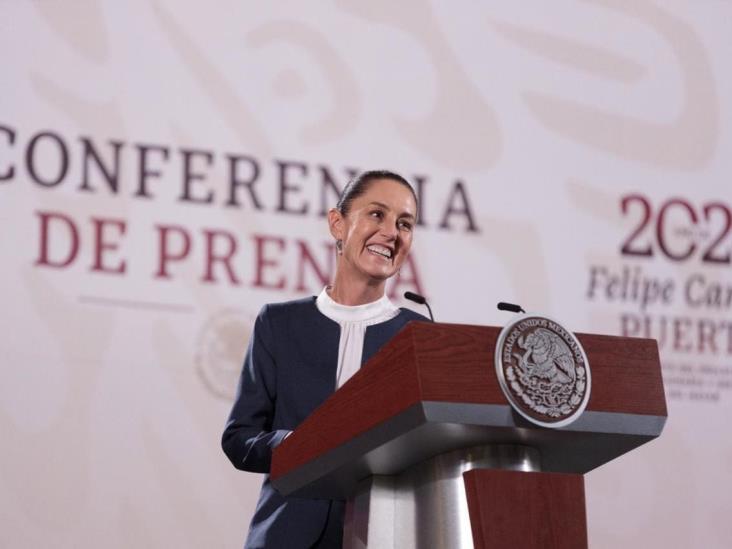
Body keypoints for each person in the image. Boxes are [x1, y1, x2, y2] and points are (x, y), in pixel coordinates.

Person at [222, 170, 429, 549]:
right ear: (338, 223)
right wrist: (301, 445)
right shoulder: (279, 323)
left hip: (383, 537)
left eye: (405, 223)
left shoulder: (418, 336)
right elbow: (239, 439)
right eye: (377, 214)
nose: (391, 232)